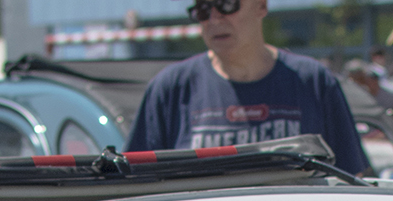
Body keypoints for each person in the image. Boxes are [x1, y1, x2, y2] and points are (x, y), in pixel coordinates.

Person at [127, 0, 369, 174]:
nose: (214, 18)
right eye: (202, 9)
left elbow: (353, 178)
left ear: (261, 6)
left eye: (227, 4)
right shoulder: (170, 89)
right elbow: (135, 186)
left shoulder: (313, 81)